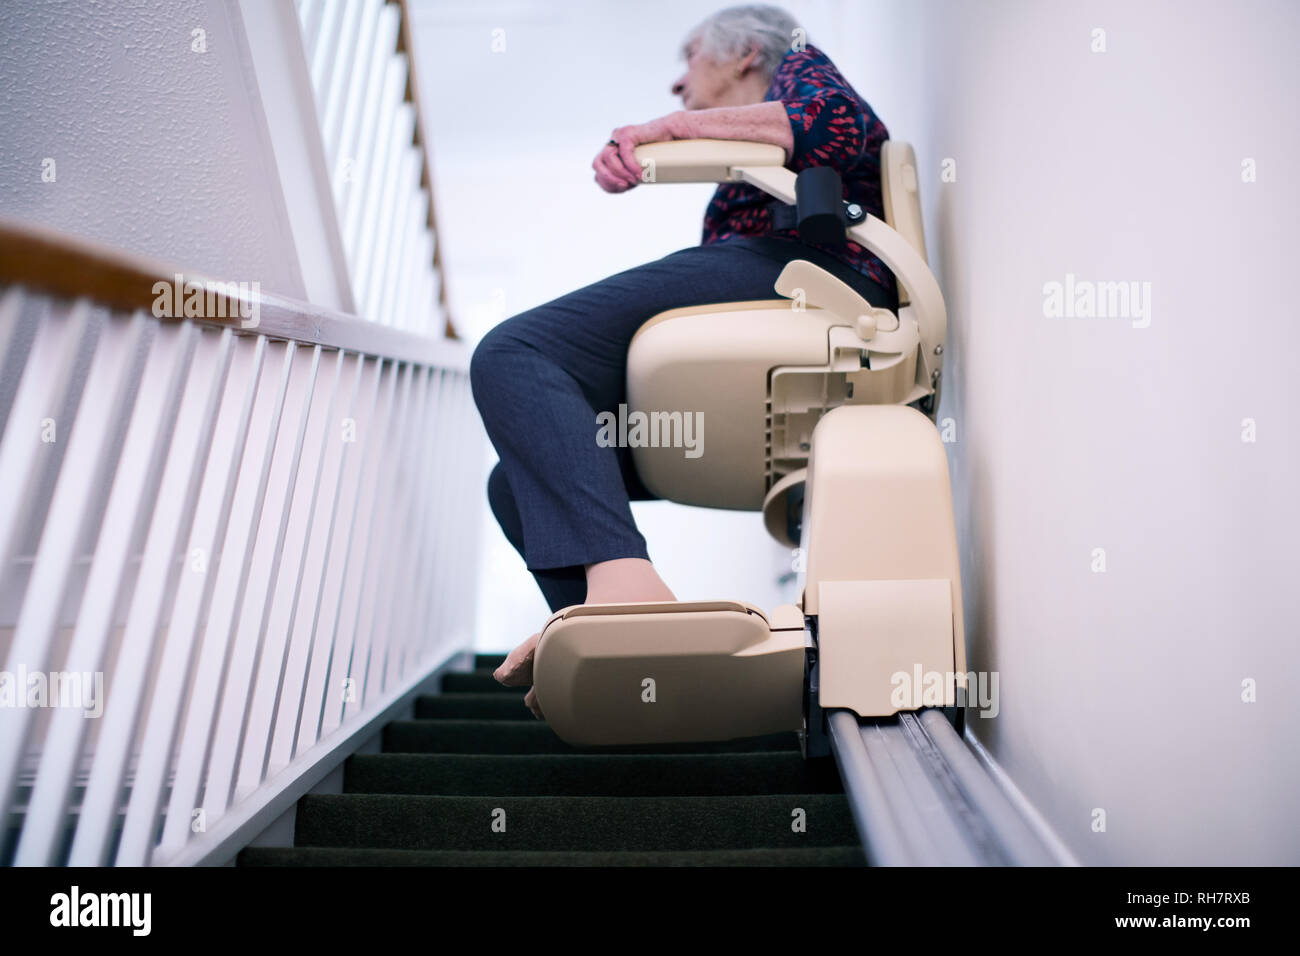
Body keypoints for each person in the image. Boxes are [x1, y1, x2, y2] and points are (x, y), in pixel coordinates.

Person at [469, 4, 898, 718]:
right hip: (773, 291)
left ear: (741, 56)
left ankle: (628, 594)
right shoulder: (751, 146)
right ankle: (621, 654)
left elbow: (830, 123)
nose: (677, 85)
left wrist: (660, 134)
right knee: (512, 483)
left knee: (514, 351)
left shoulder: (798, 65)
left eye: (691, 57)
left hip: (815, 273)